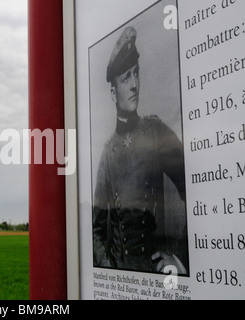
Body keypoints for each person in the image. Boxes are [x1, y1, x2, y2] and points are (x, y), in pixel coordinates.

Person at [92, 26, 188, 275]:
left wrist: (180, 257)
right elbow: (97, 231)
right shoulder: (107, 154)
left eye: (136, 74)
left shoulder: (156, 131)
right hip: (121, 274)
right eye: (125, 79)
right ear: (113, 93)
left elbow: (195, 187)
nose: (134, 84)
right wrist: (107, 269)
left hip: (155, 273)